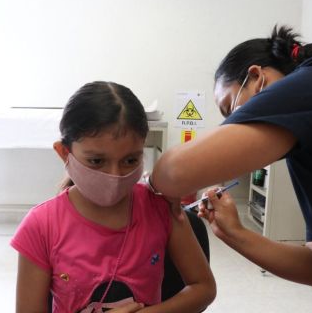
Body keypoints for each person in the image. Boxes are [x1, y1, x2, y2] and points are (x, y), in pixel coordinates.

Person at [149, 25, 312, 313]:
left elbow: (175, 172)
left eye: (232, 109)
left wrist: (149, 184)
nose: (235, 124)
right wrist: (233, 232)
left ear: (257, 77)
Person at [11, 81, 216, 313]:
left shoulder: (160, 207)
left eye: (130, 160)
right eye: (96, 161)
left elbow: (203, 288)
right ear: (64, 152)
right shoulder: (41, 225)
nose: (114, 176)